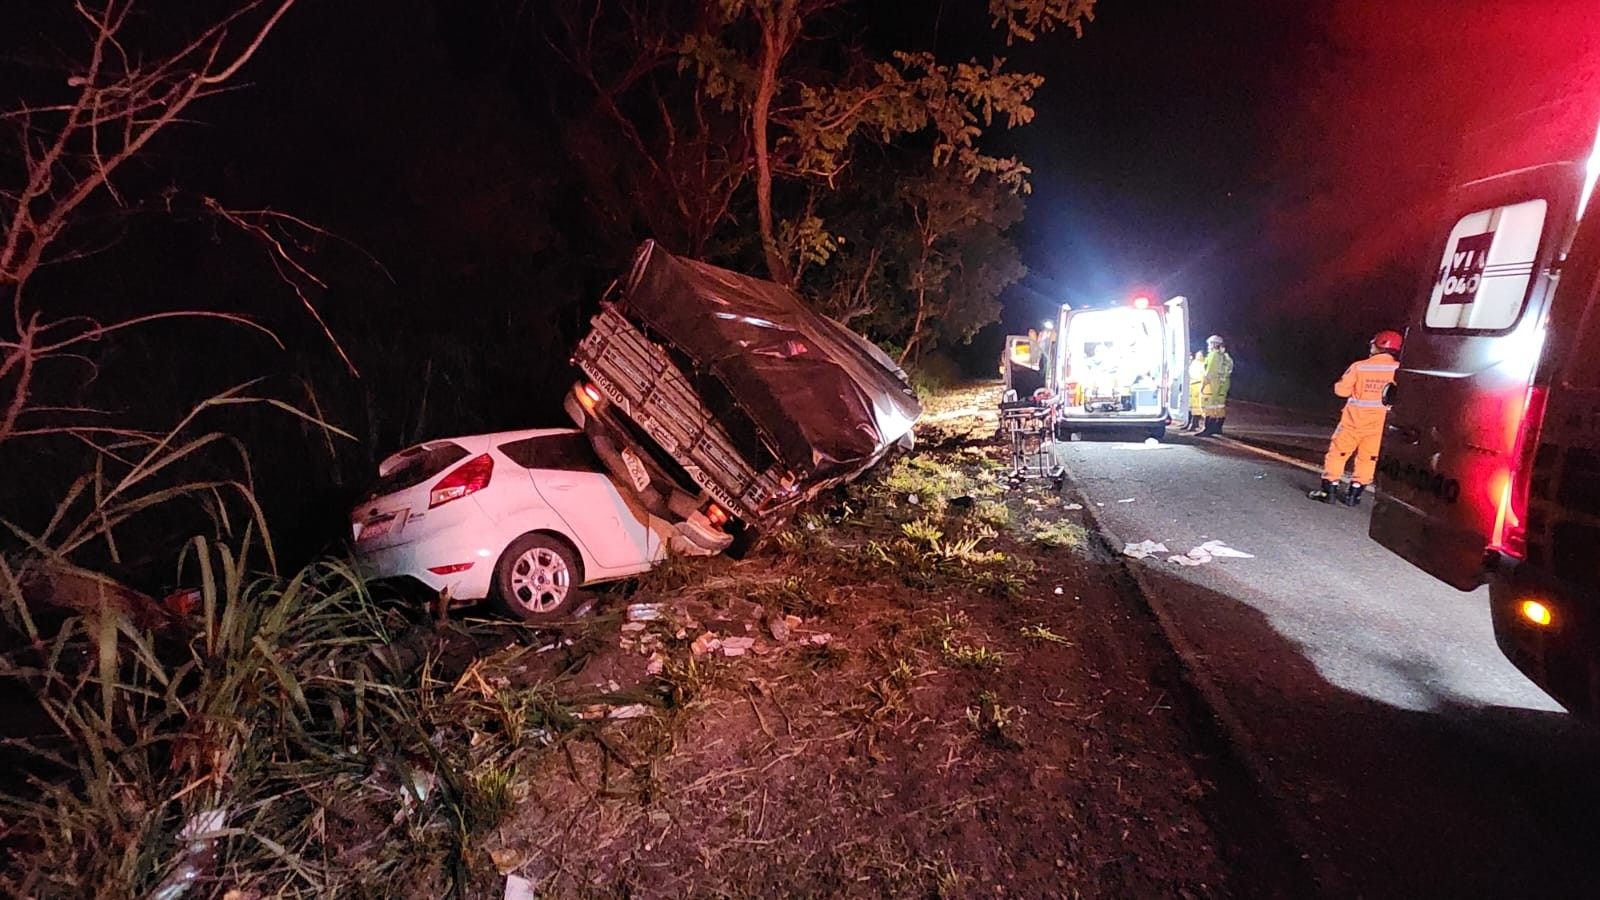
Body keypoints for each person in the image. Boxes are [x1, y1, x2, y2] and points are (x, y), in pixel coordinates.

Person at [1308, 330, 1403, 506]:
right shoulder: (1399, 370)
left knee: (1337, 454)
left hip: (1353, 420)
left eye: (1373, 344)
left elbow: (1341, 391)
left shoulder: (1359, 366)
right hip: (1378, 424)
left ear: (1379, 344)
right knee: (1368, 458)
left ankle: (1328, 491)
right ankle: (1354, 495)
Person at [1198, 335, 1233, 436]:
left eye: (1210, 344)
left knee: (1209, 406)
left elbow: (1209, 372)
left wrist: (1203, 385)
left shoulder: (1213, 355)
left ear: (1214, 344)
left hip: (1212, 384)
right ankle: (1217, 427)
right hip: (1222, 384)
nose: (1209, 346)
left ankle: (1208, 428)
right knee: (1218, 406)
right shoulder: (1224, 356)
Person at [1182, 350, 1206, 431]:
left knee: (1197, 408)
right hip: (1191, 385)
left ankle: (1194, 424)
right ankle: (1188, 423)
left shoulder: (1204, 364)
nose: (1198, 357)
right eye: (1197, 355)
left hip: (1198, 385)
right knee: (1190, 406)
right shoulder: (1194, 363)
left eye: (1199, 355)